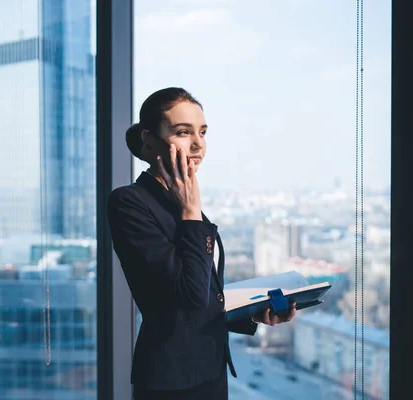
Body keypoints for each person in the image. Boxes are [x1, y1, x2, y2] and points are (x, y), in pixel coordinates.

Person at [107, 87, 296, 400]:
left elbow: (200, 300)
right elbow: (190, 296)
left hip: (209, 372)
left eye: (203, 132)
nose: (197, 144)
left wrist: (252, 313)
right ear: (148, 139)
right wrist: (192, 213)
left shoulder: (181, 200)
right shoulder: (130, 202)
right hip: (171, 382)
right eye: (183, 132)